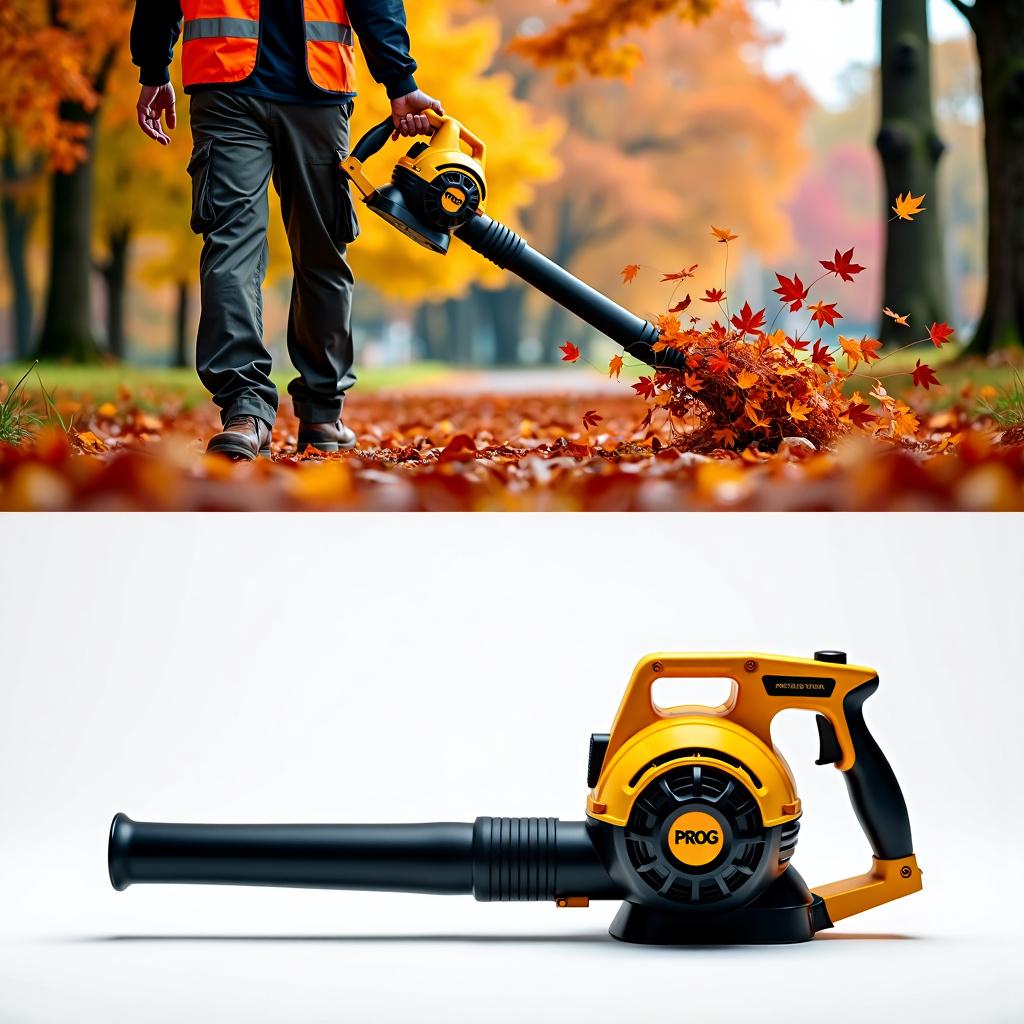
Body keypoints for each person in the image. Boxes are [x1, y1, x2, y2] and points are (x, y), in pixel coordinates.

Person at [130, 1, 443, 459]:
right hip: (264, 90)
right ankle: (265, 408)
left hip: (253, 84)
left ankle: (294, 412)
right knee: (287, 252)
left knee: (265, 249)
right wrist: (400, 81)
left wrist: (154, 67)